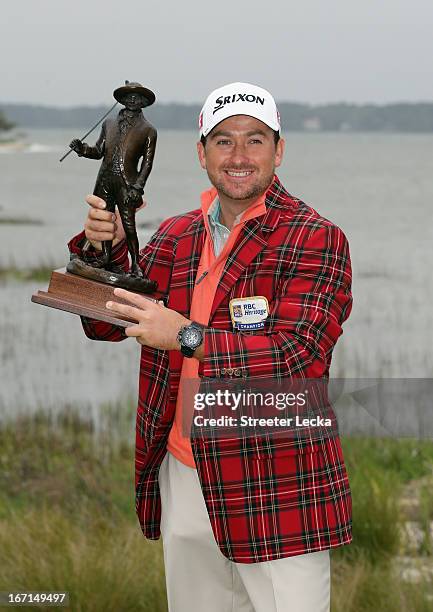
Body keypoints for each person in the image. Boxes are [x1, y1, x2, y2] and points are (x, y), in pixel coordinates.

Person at [68, 82, 353, 612]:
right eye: (222, 141)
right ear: (201, 153)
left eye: (254, 140)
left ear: (279, 150)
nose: (239, 156)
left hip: (276, 482)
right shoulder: (176, 235)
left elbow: (297, 355)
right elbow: (103, 323)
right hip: (185, 473)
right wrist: (99, 247)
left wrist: (183, 335)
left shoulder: (316, 237)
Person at [69, 81, 157, 277]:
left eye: (137, 97)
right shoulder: (108, 123)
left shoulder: (148, 130)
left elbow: (147, 164)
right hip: (105, 179)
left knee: (128, 225)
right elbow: (98, 151)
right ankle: (105, 256)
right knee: (105, 220)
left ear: (144, 102)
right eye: (129, 96)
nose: (133, 99)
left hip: (128, 184)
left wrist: (138, 187)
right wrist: (82, 149)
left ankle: (136, 265)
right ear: (122, 100)